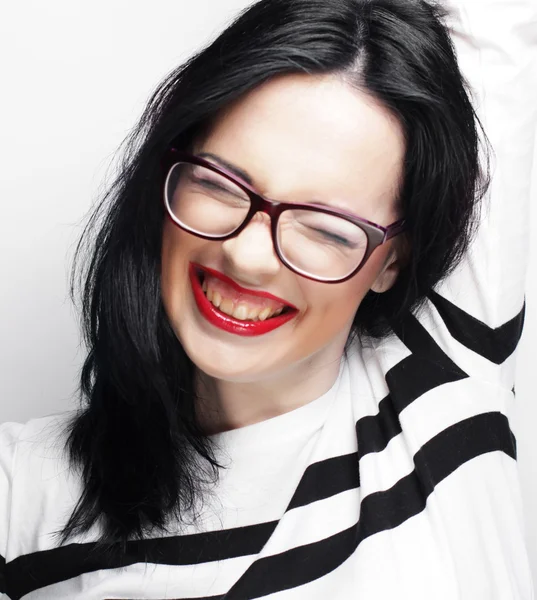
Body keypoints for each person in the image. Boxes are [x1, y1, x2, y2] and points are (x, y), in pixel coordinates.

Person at [1, 0, 535, 597]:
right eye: (219, 183)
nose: (248, 257)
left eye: (326, 228)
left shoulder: (447, 360)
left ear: (391, 260)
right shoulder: (24, 495)